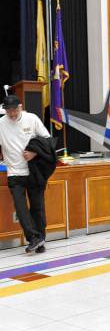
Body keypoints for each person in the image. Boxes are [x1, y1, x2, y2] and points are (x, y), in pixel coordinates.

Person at [0, 94, 52, 253]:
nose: (12, 114)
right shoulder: (1, 123)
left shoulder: (32, 119)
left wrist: (35, 153)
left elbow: (48, 140)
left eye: (15, 110)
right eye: (9, 111)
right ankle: (33, 238)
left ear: (20, 107)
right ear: (5, 110)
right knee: (21, 208)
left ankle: (40, 240)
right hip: (14, 173)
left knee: (37, 208)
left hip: (33, 171)